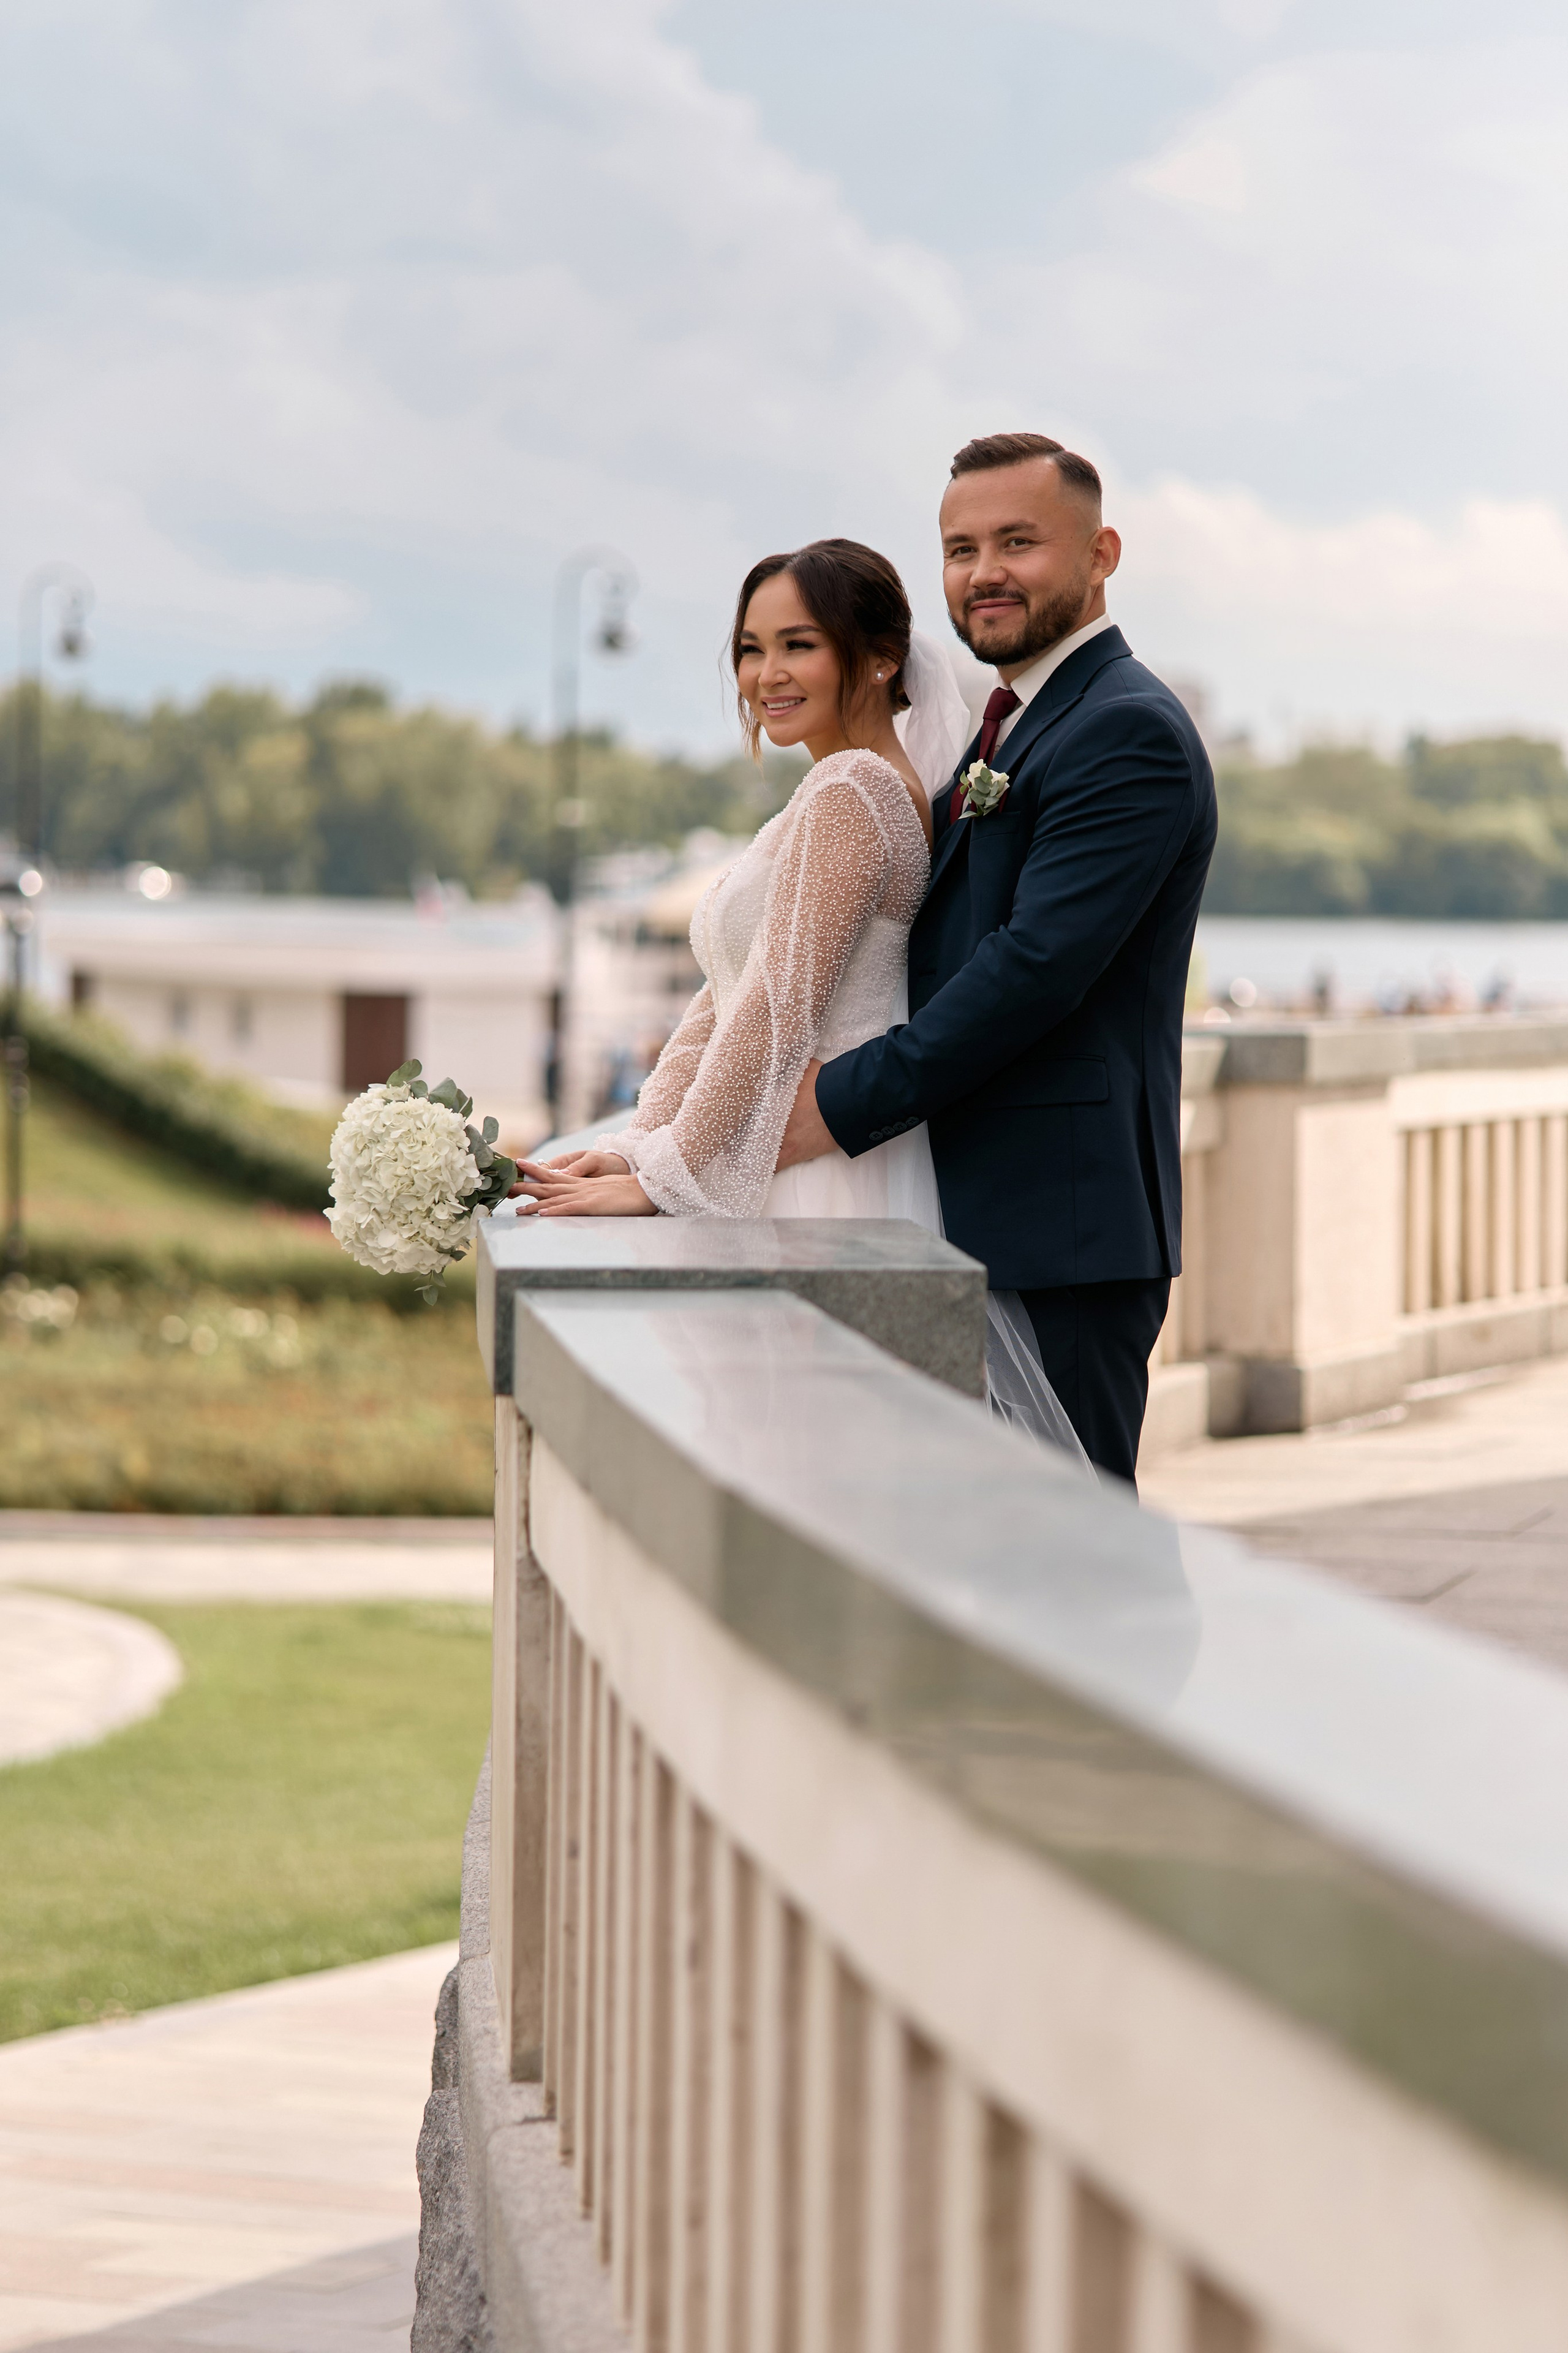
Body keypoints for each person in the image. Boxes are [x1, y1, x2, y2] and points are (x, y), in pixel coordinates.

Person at [513, 534, 1088, 1468]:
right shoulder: (830, 791)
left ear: (880, 657)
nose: (766, 674)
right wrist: (637, 1142)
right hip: (789, 1151)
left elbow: (776, 1013)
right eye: (751, 648)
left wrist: (667, 1177)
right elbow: (724, 998)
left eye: (798, 645)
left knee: (804, 1451)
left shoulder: (853, 791)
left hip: (819, 1173)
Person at [774, 433, 1217, 1486]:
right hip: (972, 1210)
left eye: (1018, 542)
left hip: (1058, 1229)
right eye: (960, 549)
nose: (984, 573)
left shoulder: (1127, 731)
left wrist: (830, 1106)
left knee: (1068, 1553)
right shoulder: (1012, 726)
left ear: (1102, 553)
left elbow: (1029, 972)